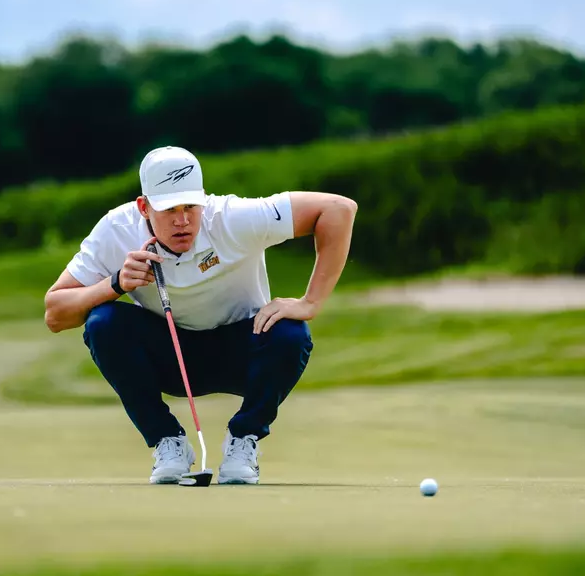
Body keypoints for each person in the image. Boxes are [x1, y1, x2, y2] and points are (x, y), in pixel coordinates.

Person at [44, 146, 358, 485]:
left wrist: (311, 302)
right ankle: (167, 441)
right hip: (169, 359)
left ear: (204, 199)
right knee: (103, 323)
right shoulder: (116, 230)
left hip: (242, 352)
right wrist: (115, 283)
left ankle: (244, 438)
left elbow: (339, 210)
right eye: (169, 210)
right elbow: (55, 313)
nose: (182, 220)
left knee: (291, 333)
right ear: (143, 207)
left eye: (190, 206)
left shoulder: (233, 218)